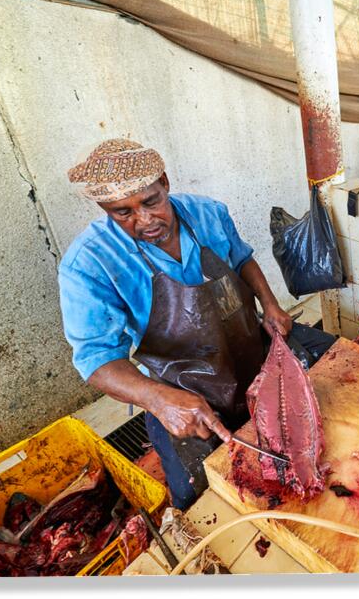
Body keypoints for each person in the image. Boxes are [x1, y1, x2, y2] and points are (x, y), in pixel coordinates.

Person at [58, 139, 335, 509]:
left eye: (151, 202)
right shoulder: (88, 264)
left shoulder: (207, 214)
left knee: (336, 389)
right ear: (103, 208)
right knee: (199, 498)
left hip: (253, 353)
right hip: (185, 389)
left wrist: (270, 305)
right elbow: (97, 362)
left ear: (165, 183)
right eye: (122, 213)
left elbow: (242, 261)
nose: (144, 221)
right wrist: (159, 400)